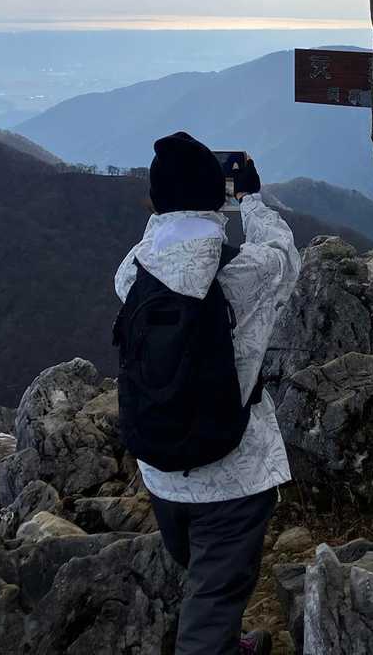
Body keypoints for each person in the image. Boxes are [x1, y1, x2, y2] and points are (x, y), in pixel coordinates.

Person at [114, 131, 301, 655]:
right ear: (216, 196)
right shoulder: (246, 273)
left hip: (160, 469)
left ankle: (224, 641)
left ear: (155, 203)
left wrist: (175, 208)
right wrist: (250, 199)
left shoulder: (132, 272)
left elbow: (165, 245)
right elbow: (285, 253)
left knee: (201, 574)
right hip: (233, 474)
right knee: (215, 596)